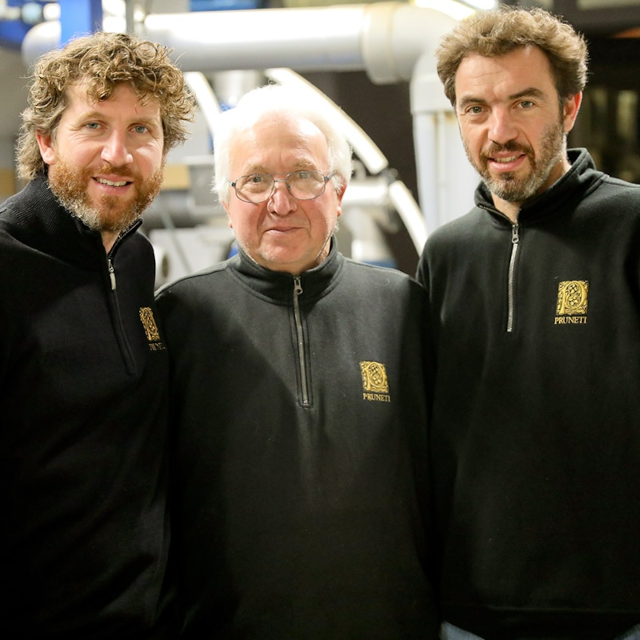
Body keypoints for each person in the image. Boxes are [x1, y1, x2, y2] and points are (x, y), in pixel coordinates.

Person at [155, 84, 438, 638]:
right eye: (256, 180)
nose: (279, 203)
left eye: (304, 176)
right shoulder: (179, 319)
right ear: (226, 199)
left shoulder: (404, 308)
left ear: (340, 191)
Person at [416, 6, 640, 640]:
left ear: (569, 108)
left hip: (618, 613)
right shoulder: (446, 254)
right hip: (471, 616)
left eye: (524, 103)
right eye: (476, 108)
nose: (500, 131)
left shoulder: (630, 226)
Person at [0, 31, 195, 638]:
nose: (118, 154)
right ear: (45, 140)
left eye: (141, 130)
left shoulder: (134, 258)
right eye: (93, 126)